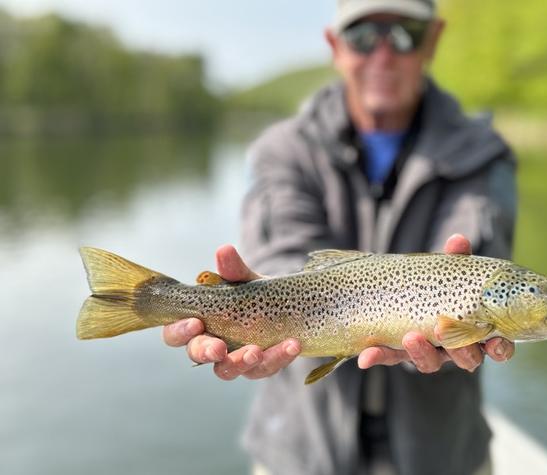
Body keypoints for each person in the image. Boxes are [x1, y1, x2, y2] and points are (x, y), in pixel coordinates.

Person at [163, 1, 517, 473]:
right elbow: (287, 261)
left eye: (405, 34)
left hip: (443, 454)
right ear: (335, 45)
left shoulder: (482, 154)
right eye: (364, 36)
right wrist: (236, 314)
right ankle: (151, 300)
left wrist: (460, 343)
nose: (384, 54)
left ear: (432, 39)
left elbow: (476, 293)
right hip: (302, 450)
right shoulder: (283, 149)